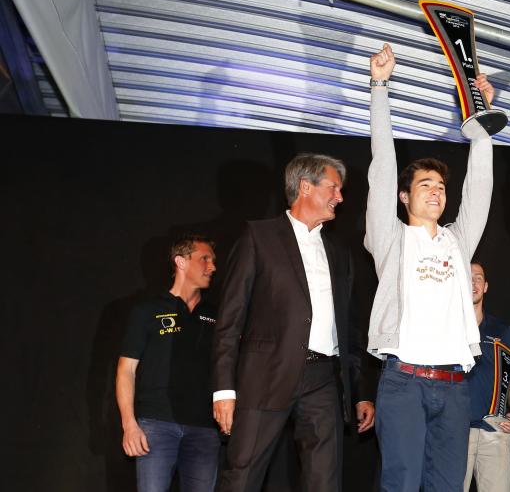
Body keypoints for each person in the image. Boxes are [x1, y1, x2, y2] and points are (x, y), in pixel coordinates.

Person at [365, 42, 496, 492]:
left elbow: (480, 188)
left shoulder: (457, 241)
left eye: (441, 186)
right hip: (405, 382)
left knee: (447, 487)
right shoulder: (392, 238)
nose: (437, 192)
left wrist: (481, 123)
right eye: (425, 185)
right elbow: (383, 168)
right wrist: (379, 88)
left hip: (455, 386)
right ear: (405, 197)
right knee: (401, 483)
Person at [211, 154, 375, 492]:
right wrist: (224, 390)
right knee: (242, 475)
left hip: (323, 378)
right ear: (305, 187)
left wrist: (358, 391)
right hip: (266, 375)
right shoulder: (259, 236)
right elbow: (229, 319)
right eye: (333, 188)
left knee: (324, 481)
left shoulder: (339, 251)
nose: (340, 197)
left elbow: (350, 328)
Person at [116, 235, 221, 492]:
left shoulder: (217, 315)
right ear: (181, 262)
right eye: (204, 259)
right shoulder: (148, 310)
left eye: (213, 261)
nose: (212, 267)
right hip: (156, 425)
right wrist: (129, 425)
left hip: (204, 429)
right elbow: (126, 370)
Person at [463, 262, 510, 492]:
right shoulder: (447, 329)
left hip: (494, 430)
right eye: (468, 277)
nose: (473, 282)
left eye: (478, 277)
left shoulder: (502, 331)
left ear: (486, 286)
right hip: (455, 431)